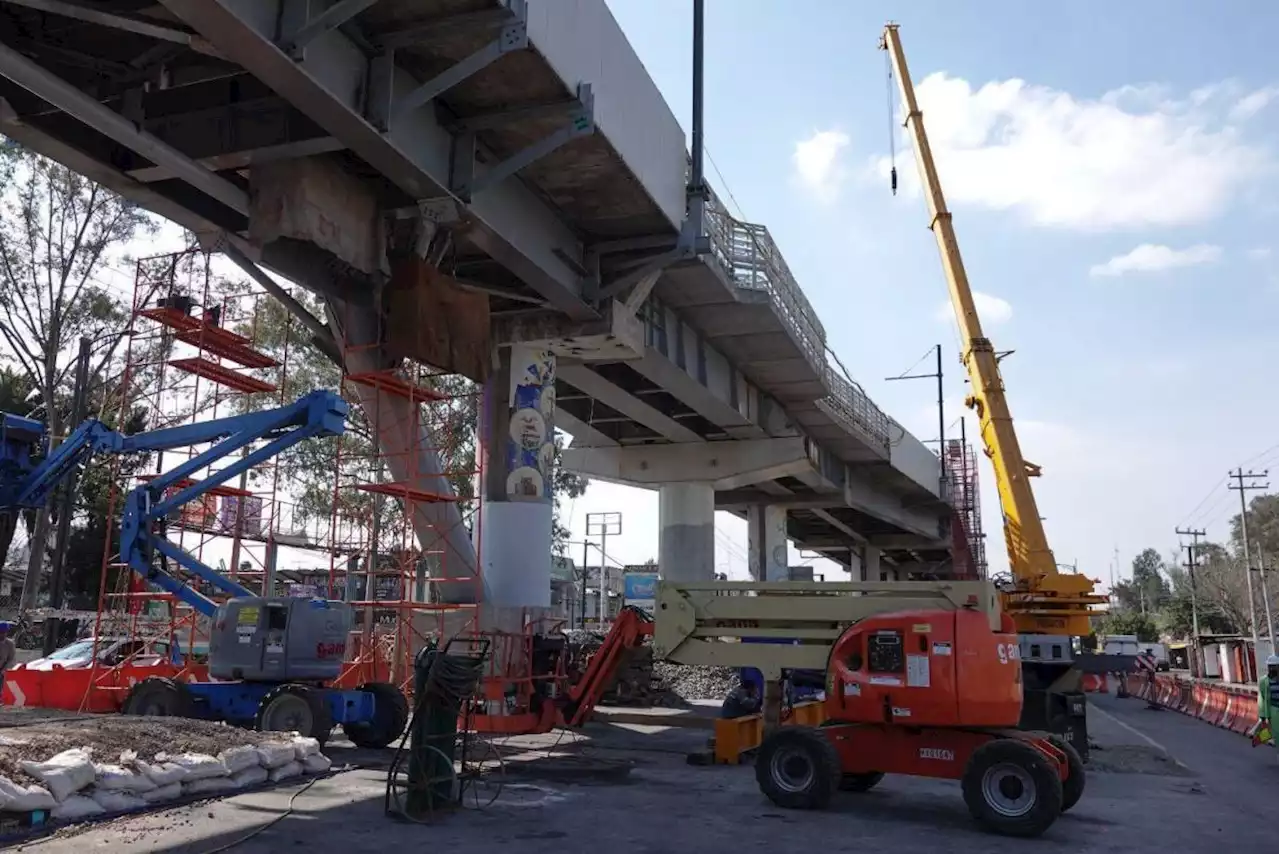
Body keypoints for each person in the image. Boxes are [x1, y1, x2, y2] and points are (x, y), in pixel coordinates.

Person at [0, 622, 15, 701]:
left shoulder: (10, 644)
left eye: (4, 632)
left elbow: (11, 659)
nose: (3, 635)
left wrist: (4, 670)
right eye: (1, 632)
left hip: (3, 668)